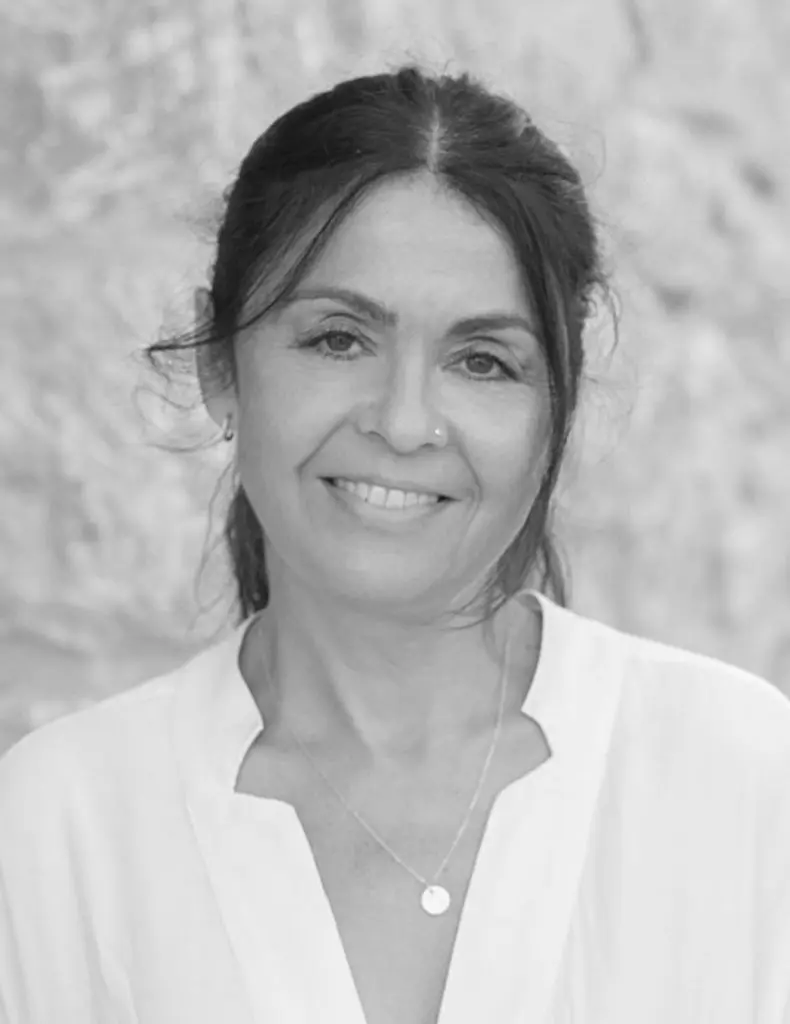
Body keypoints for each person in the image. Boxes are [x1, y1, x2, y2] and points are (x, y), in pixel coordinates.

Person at [0, 63, 789, 1024]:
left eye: (482, 361)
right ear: (220, 365)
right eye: (339, 340)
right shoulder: (62, 827)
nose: (406, 422)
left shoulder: (740, 777)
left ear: (557, 410)